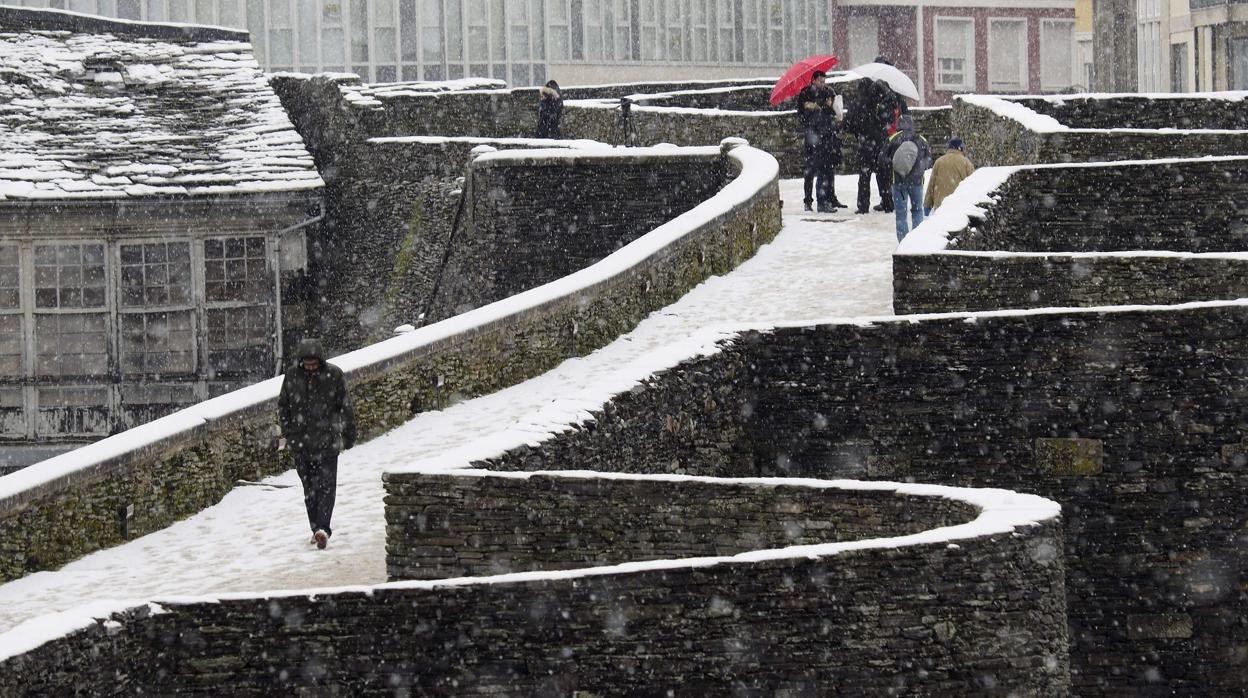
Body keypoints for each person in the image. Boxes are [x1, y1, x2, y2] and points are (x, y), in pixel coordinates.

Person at [278, 338, 356, 550]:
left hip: (327, 443)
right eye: (307, 364)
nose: (311, 368)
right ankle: (315, 528)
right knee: (310, 489)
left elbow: (345, 407)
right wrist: (289, 431)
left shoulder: (334, 375)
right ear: (301, 362)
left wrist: (349, 435)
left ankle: (323, 528)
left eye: (314, 364)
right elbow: (283, 405)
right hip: (301, 445)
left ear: (321, 361)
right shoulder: (292, 376)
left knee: (326, 488)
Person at [843, 77, 896, 214]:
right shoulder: (880, 101)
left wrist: (858, 131)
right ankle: (887, 202)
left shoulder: (857, 103)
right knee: (883, 174)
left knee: (865, 176)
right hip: (881, 143)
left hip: (865, 144)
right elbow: (889, 120)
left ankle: (863, 206)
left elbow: (847, 125)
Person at [795, 71, 844, 212]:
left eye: (824, 81)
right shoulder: (805, 93)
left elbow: (834, 112)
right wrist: (814, 109)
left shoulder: (828, 92)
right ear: (813, 80)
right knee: (811, 169)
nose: (823, 84)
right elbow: (802, 115)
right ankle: (808, 200)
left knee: (829, 167)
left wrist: (828, 106)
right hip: (812, 135)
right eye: (820, 81)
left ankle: (830, 197)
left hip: (828, 135)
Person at [879, 114, 932, 242]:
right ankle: (917, 240)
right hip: (917, 182)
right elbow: (929, 160)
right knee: (917, 210)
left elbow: (882, 159)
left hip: (898, 182)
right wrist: (920, 167)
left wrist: (894, 164)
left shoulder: (893, 139)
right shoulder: (921, 140)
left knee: (901, 214)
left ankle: (903, 242)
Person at [924, 137, 975, 215]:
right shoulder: (966, 163)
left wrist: (927, 205)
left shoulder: (939, 162)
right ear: (961, 148)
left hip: (940, 205)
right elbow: (973, 185)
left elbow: (931, 184)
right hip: (959, 205)